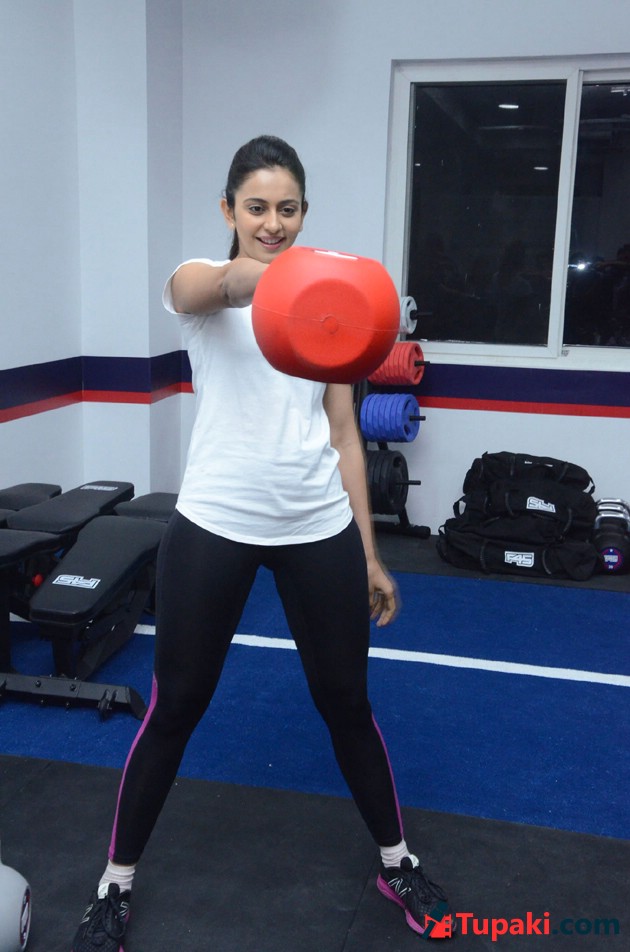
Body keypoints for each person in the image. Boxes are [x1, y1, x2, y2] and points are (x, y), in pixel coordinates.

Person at [71, 135, 454, 951]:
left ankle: (397, 862)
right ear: (229, 210)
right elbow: (216, 284)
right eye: (256, 208)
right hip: (216, 522)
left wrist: (369, 553)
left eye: (287, 209)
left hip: (317, 525)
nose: (272, 222)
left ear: (305, 213)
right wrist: (294, 278)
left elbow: (344, 432)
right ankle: (115, 883)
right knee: (177, 707)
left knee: (346, 703)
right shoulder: (199, 288)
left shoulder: (331, 314)